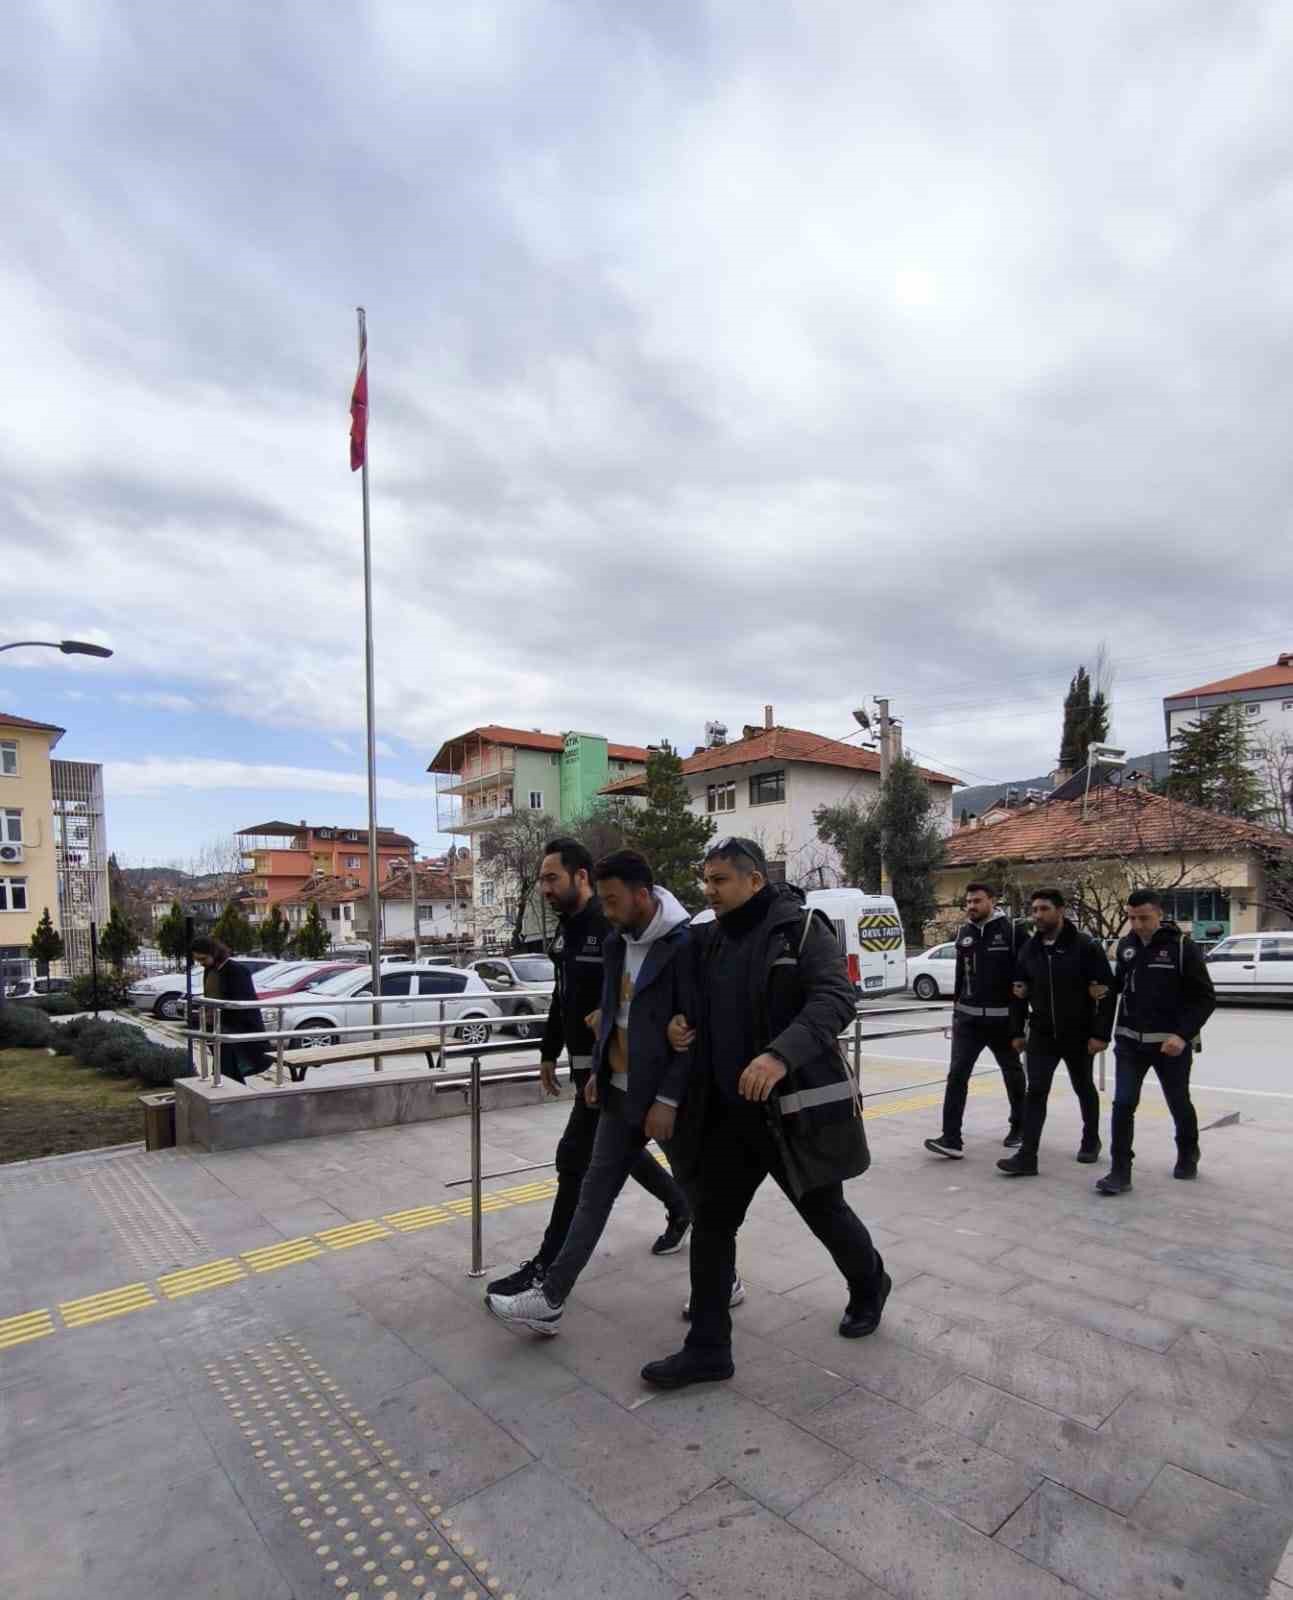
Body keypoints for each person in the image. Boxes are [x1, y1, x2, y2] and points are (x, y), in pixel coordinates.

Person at [640, 837, 887, 1392]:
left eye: (720, 880)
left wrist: (780, 1055)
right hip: (726, 1117)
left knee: (824, 1213)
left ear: (754, 881)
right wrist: (677, 1025)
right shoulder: (706, 940)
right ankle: (707, 1347)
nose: (709, 890)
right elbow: (683, 993)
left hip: (787, 1115)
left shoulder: (801, 930)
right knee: (713, 1225)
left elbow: (835, 1000)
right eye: (705, 880)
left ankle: (871, 1283)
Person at [486, 849, 697, 1333]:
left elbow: (694, 1028)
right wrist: (599, 1068)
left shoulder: (684, 944)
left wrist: (668, 1098)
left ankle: (721, 1277)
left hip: (664, 1099)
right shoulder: (616, 942)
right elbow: (610, 1009)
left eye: (614, 899)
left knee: (703, 1195)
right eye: (602, 900)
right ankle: (551, 1297)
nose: (607, 909)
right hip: (618, 1092)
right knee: (592, 1194)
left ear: (642, 895)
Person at [1095, 888, 1216, 1196]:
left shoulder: (1182, 948)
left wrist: (1182, 1035)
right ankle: (1120, 1171)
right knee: (1123, 1104)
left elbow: (1204, 999)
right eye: (1131, 918)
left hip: (1169, 1045)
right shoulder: (1126, 946)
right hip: (1129, 1043)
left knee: (1178, 1102)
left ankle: (1188, 1152)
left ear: (1159, 915)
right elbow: (1117, 988)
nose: (1136, 925)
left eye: (1144, 918)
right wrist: (1101, 1023)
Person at [997, 889, 1115, 1177]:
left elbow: (1107, 993)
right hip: (1042, 1034)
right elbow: (1017, 993)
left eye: (1044, 909)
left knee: (1083, 1087)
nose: (1038, 915)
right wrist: (1016, 1032)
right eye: (1034, 909)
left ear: (1060, 910)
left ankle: (1091, 1140)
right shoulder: (1029, 950)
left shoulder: (1085, 947)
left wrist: (1100, 1034)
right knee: (1035, 1091)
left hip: (1078, 1033)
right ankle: (1028, 1156)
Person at [923, 882, 1027, 1159]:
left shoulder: (1013, 932)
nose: (971, 906)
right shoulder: (964, 932)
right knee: (957, 1075)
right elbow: (961, 974)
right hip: (968, 1022)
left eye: (977, 901)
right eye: (968, 902)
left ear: (992, 901)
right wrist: (957, 1007)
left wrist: (1021, 1018)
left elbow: (1025, 975)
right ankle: (951, 1138)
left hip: (1003, 1021)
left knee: (1012, 1073)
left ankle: (1020, 1127)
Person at [191, 936, 269, 1085]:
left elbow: (243, 1003)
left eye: (203, 959)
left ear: (213, 953)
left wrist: (226, 1021)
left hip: (233, 1029)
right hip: (216, 1028)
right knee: (225, 1070)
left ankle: (232, 1097)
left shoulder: (236, 970)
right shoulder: (210, 970)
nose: (201, 963)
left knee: (227, 1070)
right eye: (197, 960)